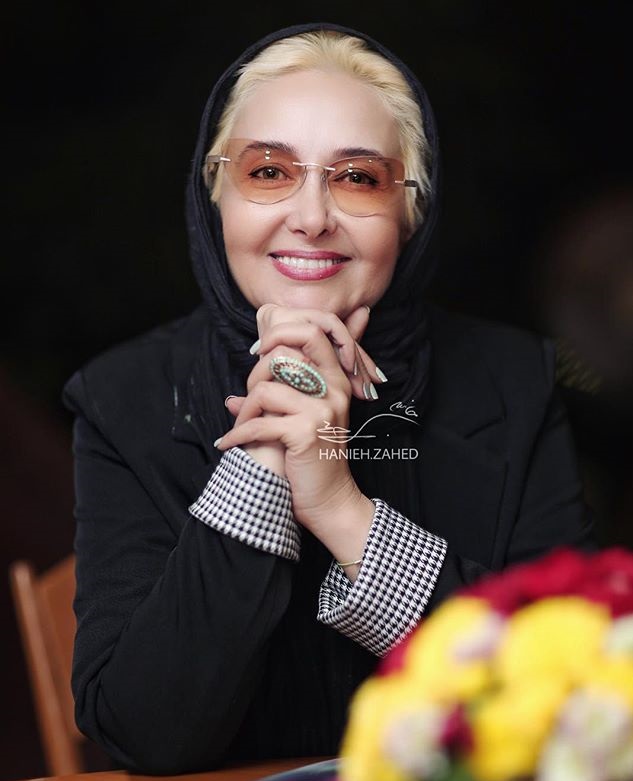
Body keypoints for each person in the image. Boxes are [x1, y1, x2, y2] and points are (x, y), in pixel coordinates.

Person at [63, 22, 595, 774]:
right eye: (268, 171)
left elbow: (574, 703)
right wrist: (264, 455)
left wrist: (343, 510)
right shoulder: (125, 400)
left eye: (357, 178)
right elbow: (146, 734)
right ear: (216, 196)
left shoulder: (513, 382)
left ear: (411, 211)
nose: (311, 217)